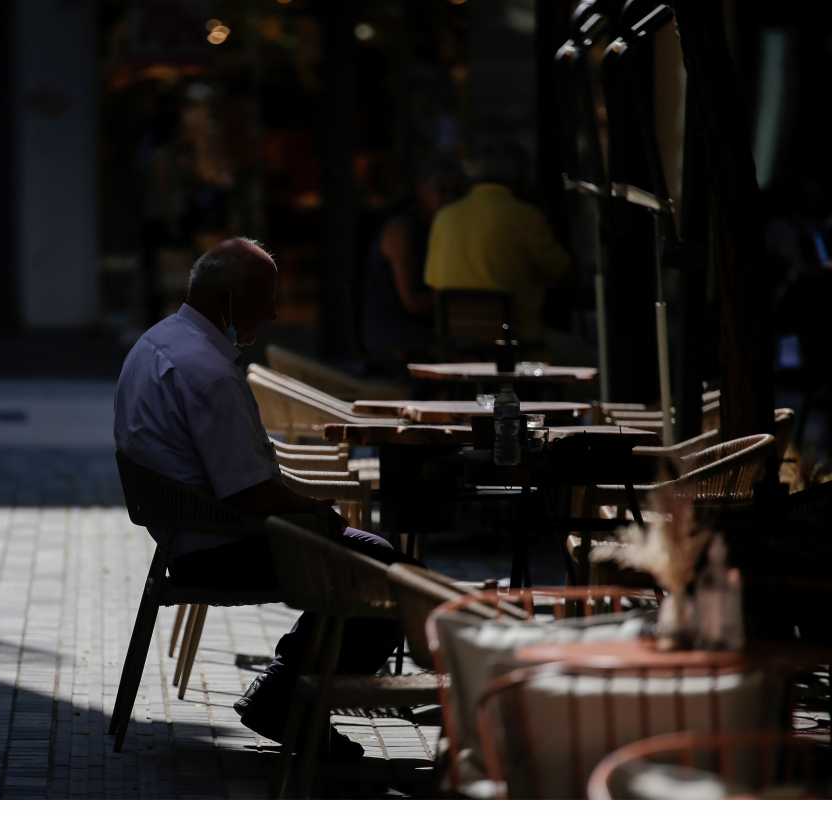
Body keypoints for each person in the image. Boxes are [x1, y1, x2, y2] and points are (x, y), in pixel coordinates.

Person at [113, 237, 409, 758]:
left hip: (190, 531)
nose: (274, 312)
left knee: (363, 550)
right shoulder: (205, 371)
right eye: (264, 298)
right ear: (228, 300)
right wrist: (317, 514)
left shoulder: (160, 341)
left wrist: (308, 508)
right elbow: (249, 492)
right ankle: (288, 700)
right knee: (384, 569)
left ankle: (284, 687)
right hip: (220, 544)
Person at [423, 141, 570, 345]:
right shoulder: (525, 216)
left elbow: (433, 281)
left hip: (457, 344)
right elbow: (560, 269)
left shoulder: (444, 217)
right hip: (520, 342)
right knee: (592, 355)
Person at [361, 157, 464, 368]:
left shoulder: (441, 229)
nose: (449, 199)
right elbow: (412, 301)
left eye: (455, 192)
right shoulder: (402, 230)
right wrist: (460, 302)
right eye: (442, 190)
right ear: (421, 190)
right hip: (397, 341)